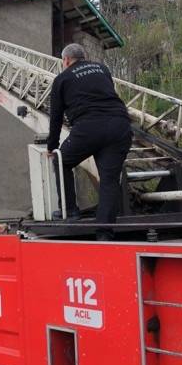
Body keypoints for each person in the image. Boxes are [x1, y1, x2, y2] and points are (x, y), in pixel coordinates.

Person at [47, 43, 132, 241]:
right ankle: (104, 233)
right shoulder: (102, 69)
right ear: (84, 57)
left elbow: (56, 118)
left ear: (66, 60)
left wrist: (52, 147)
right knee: (109, 180)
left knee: (61, 161)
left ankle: (70, 210)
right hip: (120, 125)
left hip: (89, 127)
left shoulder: (62, 78)